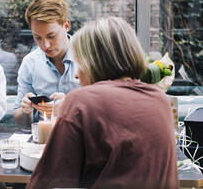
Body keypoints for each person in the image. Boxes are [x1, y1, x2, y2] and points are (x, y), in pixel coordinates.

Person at [27, 17, 178, 189]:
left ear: (94, 61)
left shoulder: (81, 101)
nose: (76, 75)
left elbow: (47, 182)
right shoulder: (160, 100)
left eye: (80, 62)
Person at [13, 0, 80, 127]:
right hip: (44, 141)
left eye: (51, 36)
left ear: (66, 25)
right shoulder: (30, 63)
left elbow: (104, 109)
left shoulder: (89, 58)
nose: (45, 45)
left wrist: (70, 106)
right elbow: (19, 119)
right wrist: (26, 110)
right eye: (37, 37)